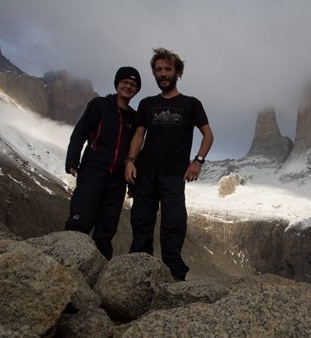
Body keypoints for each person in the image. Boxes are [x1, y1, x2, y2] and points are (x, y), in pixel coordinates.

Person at [125, 48, 214, 281]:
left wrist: (197, 162)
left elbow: (208, 135)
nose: (163, 73)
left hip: (174, 175)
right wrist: (130, 161)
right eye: (158, 70)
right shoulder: (146, 104)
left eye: (167, 69)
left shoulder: (191, 104)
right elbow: (138, 136)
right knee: (141, 221)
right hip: (145, 173)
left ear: (178, 72)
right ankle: (139, 272)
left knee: (174, 224)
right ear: (154, 74)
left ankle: (175, 277)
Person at [65, 66, 141, 260]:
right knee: (80, 219)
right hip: (93, 170)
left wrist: (133, 181)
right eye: (125, 82)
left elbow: (135, 149)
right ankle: (67, 263)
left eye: (133, 84)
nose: (128, 86)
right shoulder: (99, 105)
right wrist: (73, 158)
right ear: (117, 84)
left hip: (117, 179)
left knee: (106, 229)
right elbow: (81, 131)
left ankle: (100, 274)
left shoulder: (134, 117)